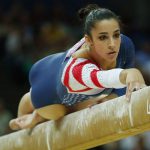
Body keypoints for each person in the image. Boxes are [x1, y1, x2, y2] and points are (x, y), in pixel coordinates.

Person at [9, 4, 146, 130]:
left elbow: (120, 89)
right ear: (88, 40)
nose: (112, 44)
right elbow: (106, 78)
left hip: (62, 73)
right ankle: (34, 109)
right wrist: (128, 73)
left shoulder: (125, 44)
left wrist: (112, 98)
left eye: (116, 34)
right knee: (63, 114)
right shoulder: (78, 70)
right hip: (46, 93)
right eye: (103, 37)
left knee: (92, 102)